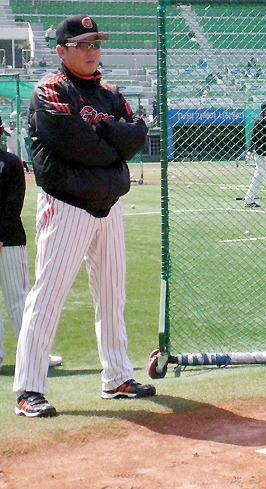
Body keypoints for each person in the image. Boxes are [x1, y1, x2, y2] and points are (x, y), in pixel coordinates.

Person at [13, 14, 155, 418]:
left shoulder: (110, 92)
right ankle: (29, 389)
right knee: (48, 296)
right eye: (83, 45)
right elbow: (77, 144)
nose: (93, 51)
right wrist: (113, 141)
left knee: (112, 295)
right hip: (67, 205)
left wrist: (107, 137)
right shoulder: (50, 90)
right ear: (62, 51)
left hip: (108, 205)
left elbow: (136, 136)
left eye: (96, 44)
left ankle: (117, 377)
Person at [0, 117, 61, 373]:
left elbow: (13, 204)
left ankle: (35, 355)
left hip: (10, 241)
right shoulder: (12, 162)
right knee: (20, 300)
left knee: (20, 300)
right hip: (9, 239)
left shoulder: (12, 163)